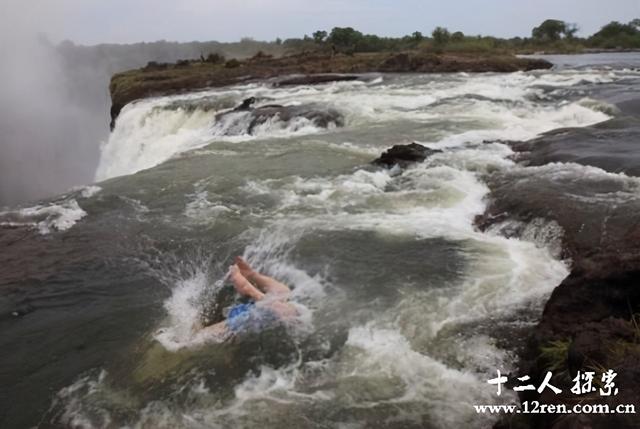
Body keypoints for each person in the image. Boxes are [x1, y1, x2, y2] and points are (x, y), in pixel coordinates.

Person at [200, 256, 297, 337]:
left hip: (246, 320)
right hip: (255, 315)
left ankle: (249, 287)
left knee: (198, 338)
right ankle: (252, 276)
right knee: (284, 297)